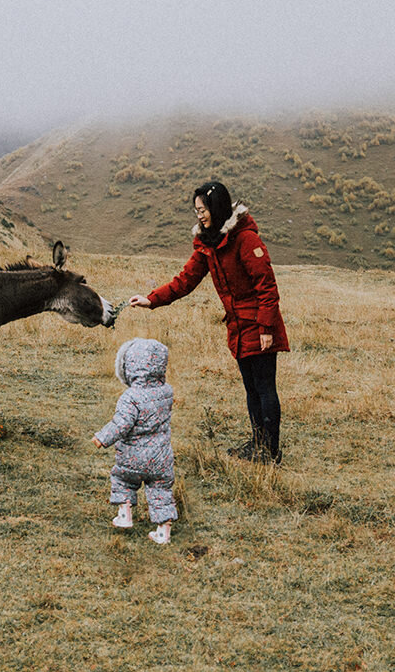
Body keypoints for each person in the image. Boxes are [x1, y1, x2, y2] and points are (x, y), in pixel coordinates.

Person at [127, 179, 289, 464]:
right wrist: (152, 299)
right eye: (196, 210)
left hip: (258, 325)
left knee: (265, 387)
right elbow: (186, 279)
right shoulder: (209, 243)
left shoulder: (245, 238)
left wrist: (266, 329)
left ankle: (271, 453)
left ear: (217, 207)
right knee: (251, 388)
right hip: (238, 326)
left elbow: (267, 285)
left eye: (203, 209)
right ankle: (258, 444)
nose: (199, 215)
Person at [93, 337, 177, 544]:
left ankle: (125, 516)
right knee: (161, 490)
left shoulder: (130, 397)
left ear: (130, 366)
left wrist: (102, 438)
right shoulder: (167, 392)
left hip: (133, 456)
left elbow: (121, 424)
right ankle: (163, 533)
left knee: (122, 480)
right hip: (161, 457)